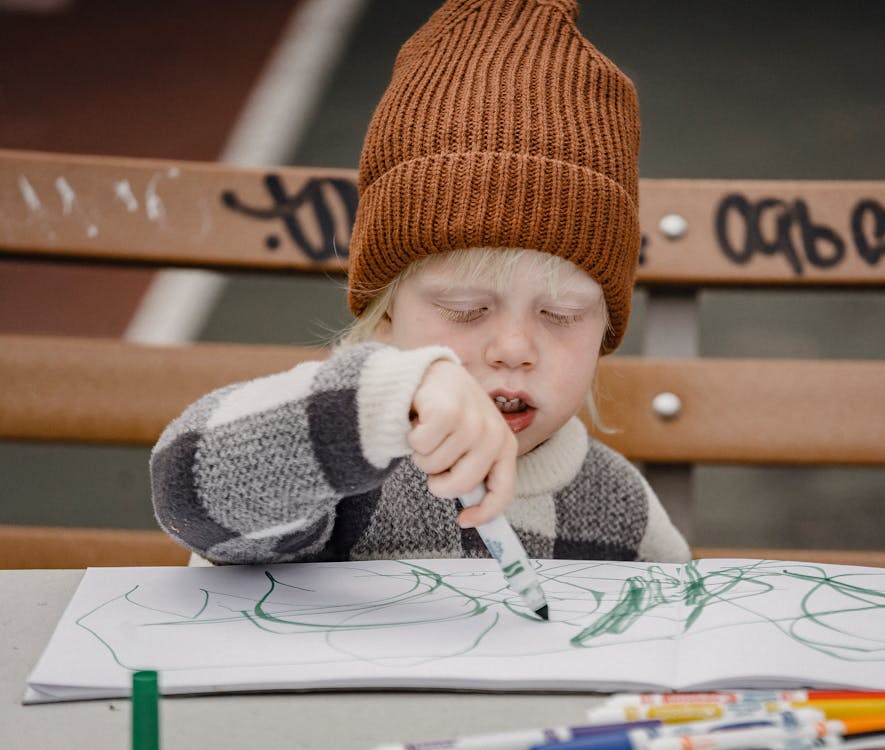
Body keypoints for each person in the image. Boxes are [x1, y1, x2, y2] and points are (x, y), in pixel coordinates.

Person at [150, 0, 690, 565]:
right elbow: (187, 491)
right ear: (384, 319)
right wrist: (375, 403)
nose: (513, 349)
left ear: (605, 328)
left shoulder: (621, 509)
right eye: (464, 307)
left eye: (560, 314)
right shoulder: (334, 473)